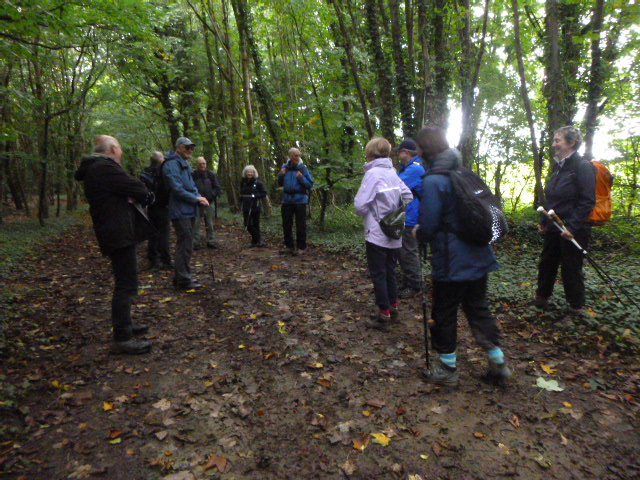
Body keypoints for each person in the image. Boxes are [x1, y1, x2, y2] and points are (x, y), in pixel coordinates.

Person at [413, 126, 510, 386]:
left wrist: (418, 233)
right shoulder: (465, 173)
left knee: (444, 312)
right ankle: (498, 361)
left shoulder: (434, 181)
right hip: (480, 255)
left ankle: (447, 369)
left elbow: (430, 225)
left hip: (451, 261)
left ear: (423, 150)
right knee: (478, 308)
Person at [74, 135, 153, 354]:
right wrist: (131, 194)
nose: (121, 153)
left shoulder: (97, 168)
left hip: (115, 229)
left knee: (127, 280)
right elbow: (139, 188)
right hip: (116, 231)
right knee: (126, 283)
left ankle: (125, 325)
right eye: (119, 148)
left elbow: (134, 191)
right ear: (112, 149)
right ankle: (122, 337)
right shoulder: (104, 168)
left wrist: (129, 195)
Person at [535, 126, 596, 316]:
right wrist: (544, 221)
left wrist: (573, 227)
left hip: (573, 228)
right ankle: (542, 298)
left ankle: (576, 307)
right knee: (547, 263)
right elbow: (552, 198)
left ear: (572, 143)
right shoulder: (559, 167)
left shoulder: (583, 166)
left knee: (571, 268)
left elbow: (587, 201)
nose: (554, 144)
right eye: (554, 140)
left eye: (558, 140)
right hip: (554, 225)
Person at [354, 137, 413, 331]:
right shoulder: (392, 172)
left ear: (370, 153)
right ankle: (393, 307)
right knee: (390, 272)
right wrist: (394, 212)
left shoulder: (373, 174)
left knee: (379, 273)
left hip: (377, 232)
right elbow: (407, 196)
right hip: (394, 232)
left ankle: (383, 314)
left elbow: (360, 205)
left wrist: (377, 212)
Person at [163, 137, 210, 291]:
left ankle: (180, 277)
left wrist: (199, 197)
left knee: (186, 244)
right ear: (179, 148)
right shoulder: (171, 165)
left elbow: (191, 186)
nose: (190, 150)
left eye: (192, 148)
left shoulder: (184, 164)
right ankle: (183, 280)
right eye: (187, 147)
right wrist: (196, 198)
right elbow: (176, 189)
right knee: (185, 244)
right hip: (180, 210)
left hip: (188, 209)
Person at [396, 138, 426, 299]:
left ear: (406, 152)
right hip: (405, 216)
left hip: (412, 217)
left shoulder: (414, 169)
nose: (398, 153)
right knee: (403, 251)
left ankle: (415, 285)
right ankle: (408, 282)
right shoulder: (406, 168)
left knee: (408, 252)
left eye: (400, 151)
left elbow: (395, 187)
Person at [277, 147, 313, 256]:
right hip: (287, 200)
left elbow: (310, 184)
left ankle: (301, 247)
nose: (298, 157)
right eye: (295, 155)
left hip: (300, 200)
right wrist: (280, 175)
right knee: (286, 224)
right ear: (290, 156)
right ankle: (289, 246)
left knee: (300, 224)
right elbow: (280, 183)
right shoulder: (285, 168)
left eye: (299, 155)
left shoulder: (303, 168)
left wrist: (302, 178)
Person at [140, 151, 172, 270]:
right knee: (163, 234)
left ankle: (154, 260)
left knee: (153, 234)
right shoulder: (163, 173)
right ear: (160, 160)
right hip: (162, 207)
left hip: (151, 208)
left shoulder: (144, 174)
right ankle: (165, 261)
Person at [192, 156, 221, 249]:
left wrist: (211, 196)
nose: (202, 165)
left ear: (206, 164)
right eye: (200, 164)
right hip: (197, 203)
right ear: (197, 165)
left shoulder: (211, 174)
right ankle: (195, 242)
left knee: (209, 223)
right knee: (196, 223)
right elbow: (190, 187)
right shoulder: (193, 175)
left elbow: (217, 188)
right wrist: (196, 197)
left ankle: (211, 241)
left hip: (209, 202)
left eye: (203, 163)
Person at [240, 165, 268, 247]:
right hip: (246, 206)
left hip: (255, 206)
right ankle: (257, 239)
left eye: (251, 172)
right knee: (247, 224)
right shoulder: (243, 182)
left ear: (254, 173)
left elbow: (264, 193)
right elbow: (241, 193)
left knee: (256, 224)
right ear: (245, 173)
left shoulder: (258, 182)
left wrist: (255, 196)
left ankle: (256, 241)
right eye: (248, 172)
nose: (250, 173)